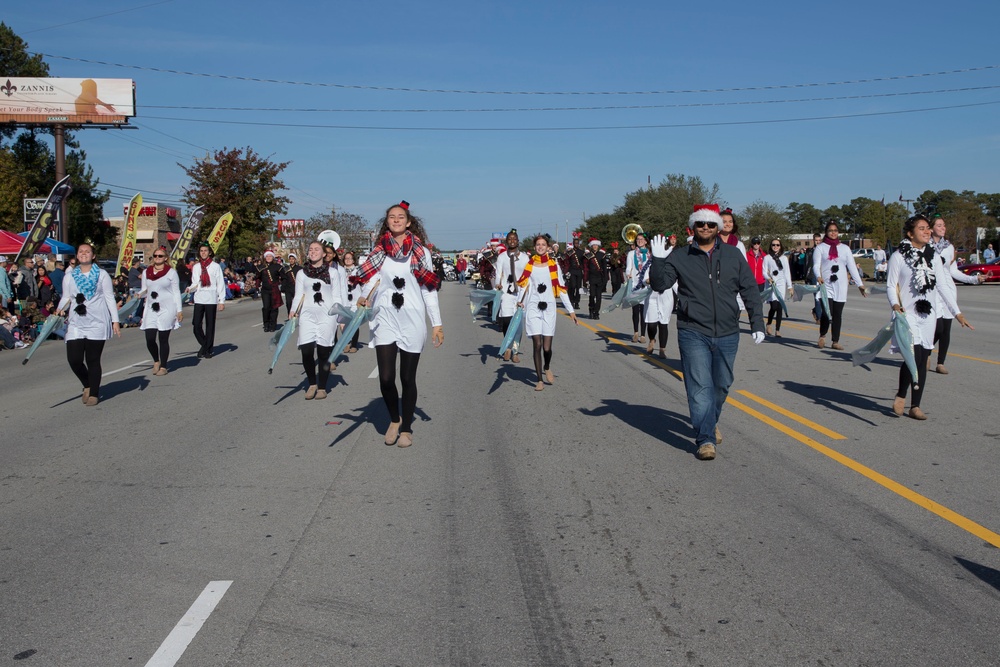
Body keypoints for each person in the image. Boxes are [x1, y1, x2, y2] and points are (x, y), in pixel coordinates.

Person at [649, 204, 765, 461]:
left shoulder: (734, 255)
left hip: (727, 331)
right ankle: (705, 439)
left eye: (710, 224)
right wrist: (657, 260)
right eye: (700, 224)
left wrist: (758, 323)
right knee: (700, 386)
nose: (705, 228)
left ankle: (709, 421)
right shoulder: (680, 256)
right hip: (693, 331)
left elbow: (749, 290)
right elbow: (660, 284)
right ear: (693, 227)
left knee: (721, 385)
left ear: (717, 227)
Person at [354, 201, 443, 448]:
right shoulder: (377, 252)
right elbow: (368, 282)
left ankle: (406, 428)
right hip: (385, 316)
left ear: (409, 222)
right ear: (387, 222)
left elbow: (428, 289)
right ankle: (394, 418)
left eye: (400, 216)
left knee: (407, 377)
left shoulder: (420, 252)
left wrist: (437, 323)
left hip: (412, 317)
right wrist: (364, 295)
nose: (396, 220)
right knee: (385, 378)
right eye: (392, 217)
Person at [887, 215, 972, 420]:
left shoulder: (934, 256)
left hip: (929, 315)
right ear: (910, 233)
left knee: (924, 357)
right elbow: (891, 285)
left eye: (928, 228)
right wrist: (895, 305)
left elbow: (942, 285)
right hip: (908, 314)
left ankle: (915, 405)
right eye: (922, 228)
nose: (927, 232)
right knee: (914, 356)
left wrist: (957, 312)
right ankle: (901, 394)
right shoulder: (899, 256)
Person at [56, 243, 121, 406]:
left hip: (97, 322)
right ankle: (87, 383)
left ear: (93, 256)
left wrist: (115, 320)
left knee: (92, 359)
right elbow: (66, 297)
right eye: (81, 252)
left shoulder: (102, 274)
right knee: (74, 360)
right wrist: (59, 310)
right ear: (77, 256)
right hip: (76, 323)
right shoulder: (69, 276)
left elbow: (109, 298)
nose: (84, 254)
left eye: (87, 251)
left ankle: (94, 393)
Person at [516, 234, 579, 391]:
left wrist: (571, 311)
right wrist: (519, 300)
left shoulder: (554, 265)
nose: (540, 247)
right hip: (533, 308)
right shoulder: (530, 265)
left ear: (547, 247)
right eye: (538, 244)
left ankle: (547, 366)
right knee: (536, 344)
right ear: (535, 247)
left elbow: (562, 289)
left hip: (549, 308)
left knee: (546, 348)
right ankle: (539, 380)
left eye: (543, 244)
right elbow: (523, 285)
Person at [290, 241, 348, 399]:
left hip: (326, 315)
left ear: (324, 254)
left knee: (323, 352)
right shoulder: (302, 273)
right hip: (308, 315)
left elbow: (337, 295)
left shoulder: (333, 273)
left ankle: (322, 387)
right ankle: (312, 384)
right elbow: (298, 295)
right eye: (310, 249)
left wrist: (339, 315)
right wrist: (293, 310)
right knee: (306, 350)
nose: (313, 251)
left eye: (317, 249)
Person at [929, 215, 983, 374]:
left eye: (943, 225)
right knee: (937, 328)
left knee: (946, 329)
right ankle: (926, 351)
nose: (943, 228)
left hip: (947, 289)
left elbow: (953, 271)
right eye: (939, 225)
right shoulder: (925, 246)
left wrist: (974, 279)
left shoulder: (949, 247)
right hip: (932, 290)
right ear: (931, 229)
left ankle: (940, 363)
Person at [812, 221, 866, 350]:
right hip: (826, 284)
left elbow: (852, 267)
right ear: (826, 232)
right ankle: (822, 335)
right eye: (830, 230)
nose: (833, 233)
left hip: (841, 285)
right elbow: (815, 264)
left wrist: (860, 284)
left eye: (835, 230)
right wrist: (818, 276)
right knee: (826, 312)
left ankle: (835, 341)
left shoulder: (844, 248)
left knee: (837, 314)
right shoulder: (821, 248)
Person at [140, 246, 183, 376]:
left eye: (160, 256)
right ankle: (156, 360)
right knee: (150, 338)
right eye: (155, 255)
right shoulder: (146, 272)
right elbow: (144, 290)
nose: (157, 258)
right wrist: (139, 295)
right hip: (151, 308)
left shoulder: (171, 273)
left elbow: (176, 292)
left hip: (167, 308)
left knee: (163, 338)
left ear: (165, 258)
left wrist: (179, 310)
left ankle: (164, 366)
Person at [494, 229, 530, 362]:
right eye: (510, 239)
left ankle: (515, 351)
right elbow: (498, 273)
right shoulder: (502, 257)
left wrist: (525, 293)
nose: (512, 241)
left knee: (518, 324)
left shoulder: (525, 258)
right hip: (506, 293)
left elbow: (528, 276)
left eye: (514, 239)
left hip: (520, 293)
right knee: (507, 322)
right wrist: (497, 284)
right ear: (506, 241)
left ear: (518, 241)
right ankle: (507, 346)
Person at [189, 242, 226, 358]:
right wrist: (189, 289)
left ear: (209, 252)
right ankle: (205, 344)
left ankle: (208, 350)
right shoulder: (196, 267)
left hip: (211, 298)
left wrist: (221, 301)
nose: (203, 253)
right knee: (196, 325)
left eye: (205, 251)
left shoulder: (215, 266)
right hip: (199, 298)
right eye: (201, 251)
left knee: (210, 325)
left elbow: (220, 284)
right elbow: (195, 283)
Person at [762, 238, 794, 337]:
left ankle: (778, 330)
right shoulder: (767, 258)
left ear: (780, 246)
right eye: (773, 245)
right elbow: (764, 271)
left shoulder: (784, 258)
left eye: (777, 245)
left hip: (781, 284)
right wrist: (768, 278)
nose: (775, 247)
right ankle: (769, 324)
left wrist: (790, 286)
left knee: (780, 307)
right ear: (771, 246)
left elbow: (787, 273)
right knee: (774, 306)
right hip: (772, 284)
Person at [624, 234, 649, 343]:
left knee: (644, 311)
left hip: (646, 285)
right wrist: (628, 274)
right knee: (635, 310)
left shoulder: (650, 254)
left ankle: (643, 334)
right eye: (638, 240)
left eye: (641, 239)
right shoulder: (631, 253)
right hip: (635, 285)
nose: (639, 241)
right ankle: (635, 332)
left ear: (646, 241)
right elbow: (628, 267)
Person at [339, 250, 363, 353]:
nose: (348, 260)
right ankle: (346, 342)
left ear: (354, 260)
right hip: (344, 300)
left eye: (350, 258)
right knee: (343, 323)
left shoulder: (358, 271)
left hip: (355, 299)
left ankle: (354, 344)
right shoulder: (340, 271)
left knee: (354, 322)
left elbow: (364, 283)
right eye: (346, 258)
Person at [257, 250, 284, 332]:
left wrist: (282, 285)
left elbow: (283, 277)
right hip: (265, 290)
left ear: (273, 257)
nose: (268, 258)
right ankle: (266, 324)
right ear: (265, 258)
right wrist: (257, 286)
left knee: (274, 308)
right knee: (266, 307)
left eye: (270, 256)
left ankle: (273, 325)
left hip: (274, 290)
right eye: (267, 256)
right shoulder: (261, 267)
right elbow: (258, 278)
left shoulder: (278, 267)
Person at [585, 237, 607, 319]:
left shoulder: (602, 255)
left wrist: (605, 278)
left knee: (598, 296)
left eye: (596, 245)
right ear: (591, 246)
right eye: (593, 245)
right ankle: (591, 308)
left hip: (599, 278)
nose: (595, 247)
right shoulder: (588, 255)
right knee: (592, 295)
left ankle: (596, 312)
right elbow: (586, 268)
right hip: (591, 277)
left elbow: (604, 268)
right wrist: (585, 279)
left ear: (598, 246)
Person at [281, 252, 300, 317]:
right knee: (288, 303)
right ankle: (290, 315)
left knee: (296, 302)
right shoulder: (286, 269)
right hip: (288, 288)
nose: (291, 260)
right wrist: (283, 287)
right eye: (290, 259)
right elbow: (284, 278)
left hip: (296, 288)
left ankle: (296, 314)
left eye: (293, 259)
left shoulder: (299, 269)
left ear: (295, 260)